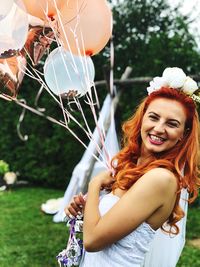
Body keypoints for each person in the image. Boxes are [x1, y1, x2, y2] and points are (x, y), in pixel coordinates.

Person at [64, 67, 200, 267]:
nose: (159, 128)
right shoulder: (132, 167)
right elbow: (109, 226)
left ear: (183, 133)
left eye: (172, 124)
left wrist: (94, 186)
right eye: (153, 117)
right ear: (143, 118)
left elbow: (93, 241)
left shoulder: (161, 179)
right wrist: (88, 209)